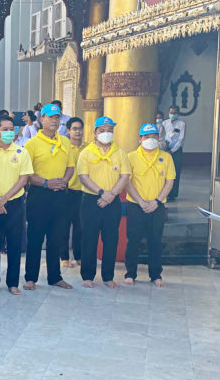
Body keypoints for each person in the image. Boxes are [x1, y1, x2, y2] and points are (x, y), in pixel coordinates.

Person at [23, 103, 76, 290]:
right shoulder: (32, 144)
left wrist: (64, 181)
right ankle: (30, 277)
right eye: (50, 117)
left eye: (57, 117)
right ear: (42, 119)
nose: (54, 120)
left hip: (60, 194)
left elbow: (70, 166)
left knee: (57, 237)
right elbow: (27, 173)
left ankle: (55, 277)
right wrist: (46, 183)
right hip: (39, 194)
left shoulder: (65, 142)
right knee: (35, 238)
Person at [0, 114, 33, 295]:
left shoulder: (22, 152)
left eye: (12, 129)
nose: (10, 132)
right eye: (5, 130)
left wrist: (4, 199)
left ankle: (13, 283)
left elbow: (23, 179)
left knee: (15, 244)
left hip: (15, 205)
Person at [77, 117, 131, 288]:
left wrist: (111, 194)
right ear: (95, 133)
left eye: (109, 130)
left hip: (112, 201)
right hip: (91, 200)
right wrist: (102, 193)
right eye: (102, 130)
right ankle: (87, 276)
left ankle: (108, 276)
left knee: (111, 239)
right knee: (89, 239)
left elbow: (125, 176)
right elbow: (83, 177)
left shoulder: (120, 153)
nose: (106, 134)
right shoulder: (86, 152)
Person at [124, 123, 176, 288]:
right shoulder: (131, 157)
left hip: (157, 206)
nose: (150, 140)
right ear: (140, 139)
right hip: (135, 205)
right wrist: (140, 201)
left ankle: (155, 275)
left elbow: (170, 181)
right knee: (133, 241)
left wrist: (157, 201)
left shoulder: (166, 157)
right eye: (146, 137)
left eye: (154, 137)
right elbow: (127, 182)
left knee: (155, 241)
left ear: (159, 139)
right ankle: (130, 274)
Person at [60, 117, 86, 269]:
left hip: (83, 192)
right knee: (64, 226)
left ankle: (78, 256)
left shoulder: (89, 148)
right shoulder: (64, 147)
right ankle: (64, 257)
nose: (78, 132)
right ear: (68, 131)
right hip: (66, 191)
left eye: (80, 129)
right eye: (75, 129)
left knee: (80, 226)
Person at [162, 105, 185, 201]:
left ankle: (173, 194)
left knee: (175, 171)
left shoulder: (181, 124)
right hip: (165, 149)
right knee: (163, 171)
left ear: (178, 113)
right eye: (171, 112)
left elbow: (181, 140)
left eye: (175, 113)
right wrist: (164, 148)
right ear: (168, 113)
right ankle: (164, 193)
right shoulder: (164, 123)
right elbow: (161, 136)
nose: (173, 114)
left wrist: (172, 151)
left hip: (176, 151)